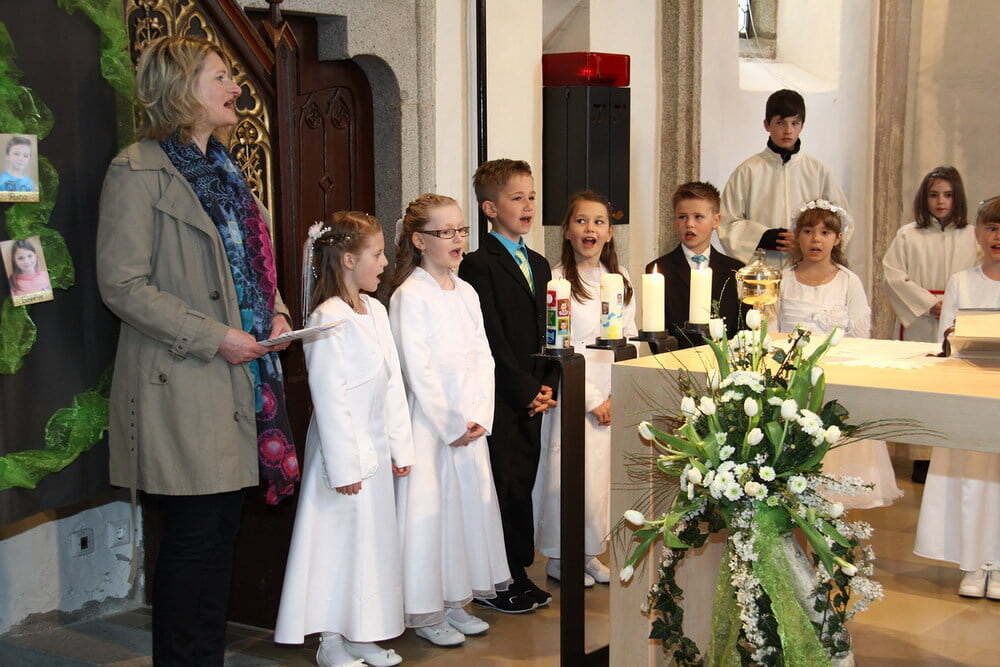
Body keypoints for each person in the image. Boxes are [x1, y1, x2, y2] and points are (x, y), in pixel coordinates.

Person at [97, 36, 297, 666]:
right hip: (182, 378)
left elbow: (253, 265)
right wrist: (216, 337)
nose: (236, 87)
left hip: (239, 379)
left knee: (219, 537)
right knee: (193, 540)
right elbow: (122, 285)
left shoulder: (229, 171)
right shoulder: (137, 170)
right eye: (220, 76)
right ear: (181, 88)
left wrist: (277, 309)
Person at [275, 212, 413, 666]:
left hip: (375, 448)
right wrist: (345, 466)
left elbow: (392, 384)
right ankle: (330, 639)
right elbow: (329, 396)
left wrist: (400, 446)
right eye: (377, 254)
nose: (385, 263)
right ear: (349, 259)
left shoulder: (375, 310)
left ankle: (361, 632)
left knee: (369, 546)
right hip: (342, 455)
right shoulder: (327, 317)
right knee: (336, 544)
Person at [388, 193, 511, 646]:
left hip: (470, 426)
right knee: (432, 516)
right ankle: (428, 608)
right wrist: (451, 422)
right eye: (446, 232)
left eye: (461, 230)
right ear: (419, 240)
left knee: (467, 514)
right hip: (432, 427)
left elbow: (483, 356)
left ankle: (457, 600)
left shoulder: (466, 291)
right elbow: (416, 368)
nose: (458, 240)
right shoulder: (409, 295)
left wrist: (478, 414)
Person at [458, 159, 557, 614]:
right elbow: (491, 336)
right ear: (490, 208)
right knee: (505, 485)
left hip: (535, 392)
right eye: (517, 198)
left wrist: (549, 382)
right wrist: (523, 388)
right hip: (502, 395)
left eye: (531, 196)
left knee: (524, 483)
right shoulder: (478, 265)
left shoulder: (539, 263)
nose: (528, 205)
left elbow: (551, 328)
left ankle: (519, 570)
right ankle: (501, 577)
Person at [533, 190, 637, 587]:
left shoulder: (621, 279)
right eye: (581, 221)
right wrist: (592, 399)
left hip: (611, 394)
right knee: (567, 478)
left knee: (599, 482)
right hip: (573, 395)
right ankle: (561, 556)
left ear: (609, 232)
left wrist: (616, 395)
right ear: (567, 230)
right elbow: (559, 342)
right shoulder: (557, 280)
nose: (589, 228)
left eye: (598, 222)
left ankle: (591, 553)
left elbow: (629, 337)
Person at [777, 200, 901, 510]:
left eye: (825, 232)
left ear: (838, 238)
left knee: (835, 467)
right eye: (808, 231)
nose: (816, 239)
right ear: (797, 236)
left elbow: (860, 337)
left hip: (836, 381)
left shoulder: (848, 281)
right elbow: (773, 332)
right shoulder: (784, 279)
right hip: (794, 382)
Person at [914, 196, 1000, 599]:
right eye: (991, 228)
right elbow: (944, 341)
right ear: (978, 234)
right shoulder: (962, 281)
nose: (997, 236)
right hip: (971, 393)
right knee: (972, 481)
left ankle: (998, 564)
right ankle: (972, 563)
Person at [883, 166, 978, 482]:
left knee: (954, 384)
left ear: (957, 198)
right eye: (934, 195)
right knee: (920, 383)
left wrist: (953, 304)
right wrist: (929, 302)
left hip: (960, 316)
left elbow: (980, 274)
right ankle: (921, 456)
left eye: (948, 195)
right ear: (924, 198)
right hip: (921, 317)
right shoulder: (907, 235)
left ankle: (952, 451)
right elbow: (893, 275)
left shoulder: (972, 235)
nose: (940, 202)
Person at [718, 89, 852, 267]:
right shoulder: (748, 171)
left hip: (807, 267)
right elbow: (726, 223)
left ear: (802, 126)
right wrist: (764, 237)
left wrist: (810, 240)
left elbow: (843, 221)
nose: (788, 130)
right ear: (767, 125)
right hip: (763, 267)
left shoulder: (817, 171)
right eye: (780, 123)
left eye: (795, 123)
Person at [646, 181, 744, 346]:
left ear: (716, 220)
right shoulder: (660, 269)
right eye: (682, 217)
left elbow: (743, 329)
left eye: (698, 217)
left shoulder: (736, 270)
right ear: (675, 220)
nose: (689, 224)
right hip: (676, 358)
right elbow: (656, 330)